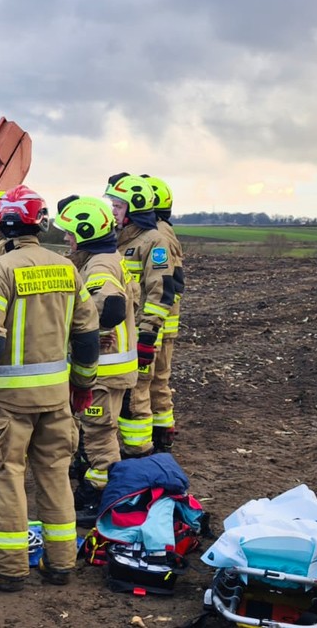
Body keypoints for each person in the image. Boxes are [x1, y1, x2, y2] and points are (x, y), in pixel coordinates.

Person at [0, 184, 99, 591]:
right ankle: (61, 563)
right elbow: (87, 335)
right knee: (54, 476)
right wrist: (83, 384)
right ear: (40, 222)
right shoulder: (65, 267)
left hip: (8, 403)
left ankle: (8, 569)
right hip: (56, 398)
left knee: (6, 477)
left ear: (1, 224)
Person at [52, 195, 138, 526]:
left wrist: (85, 329)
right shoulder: (106, 257)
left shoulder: (99, 265)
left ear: (86, 233)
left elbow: (111, 307)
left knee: (100, 436)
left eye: (70, 233)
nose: (65, 238)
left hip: (105, 370)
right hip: (113, 368)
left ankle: (105, 501)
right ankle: (99, 492)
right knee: (99, 432)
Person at [107, 172, 176, 457]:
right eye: (112, 204)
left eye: (118, 205)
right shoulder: (119, 241)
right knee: (122, 398)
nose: (112, 210)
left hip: (141, 336)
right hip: (121, 337)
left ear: (134, 208)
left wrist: (148, 336)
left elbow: (161, 292)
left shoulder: (153, 242)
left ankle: (141, 455)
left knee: (137, 399)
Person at [141, 174, 184, 452]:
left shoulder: (159, 235)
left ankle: (159, 441)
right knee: (157, 383)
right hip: (161, 324)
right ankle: (160, 437)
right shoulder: (162, 231)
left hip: (158, 325)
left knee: (155, 384)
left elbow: (168, 284)